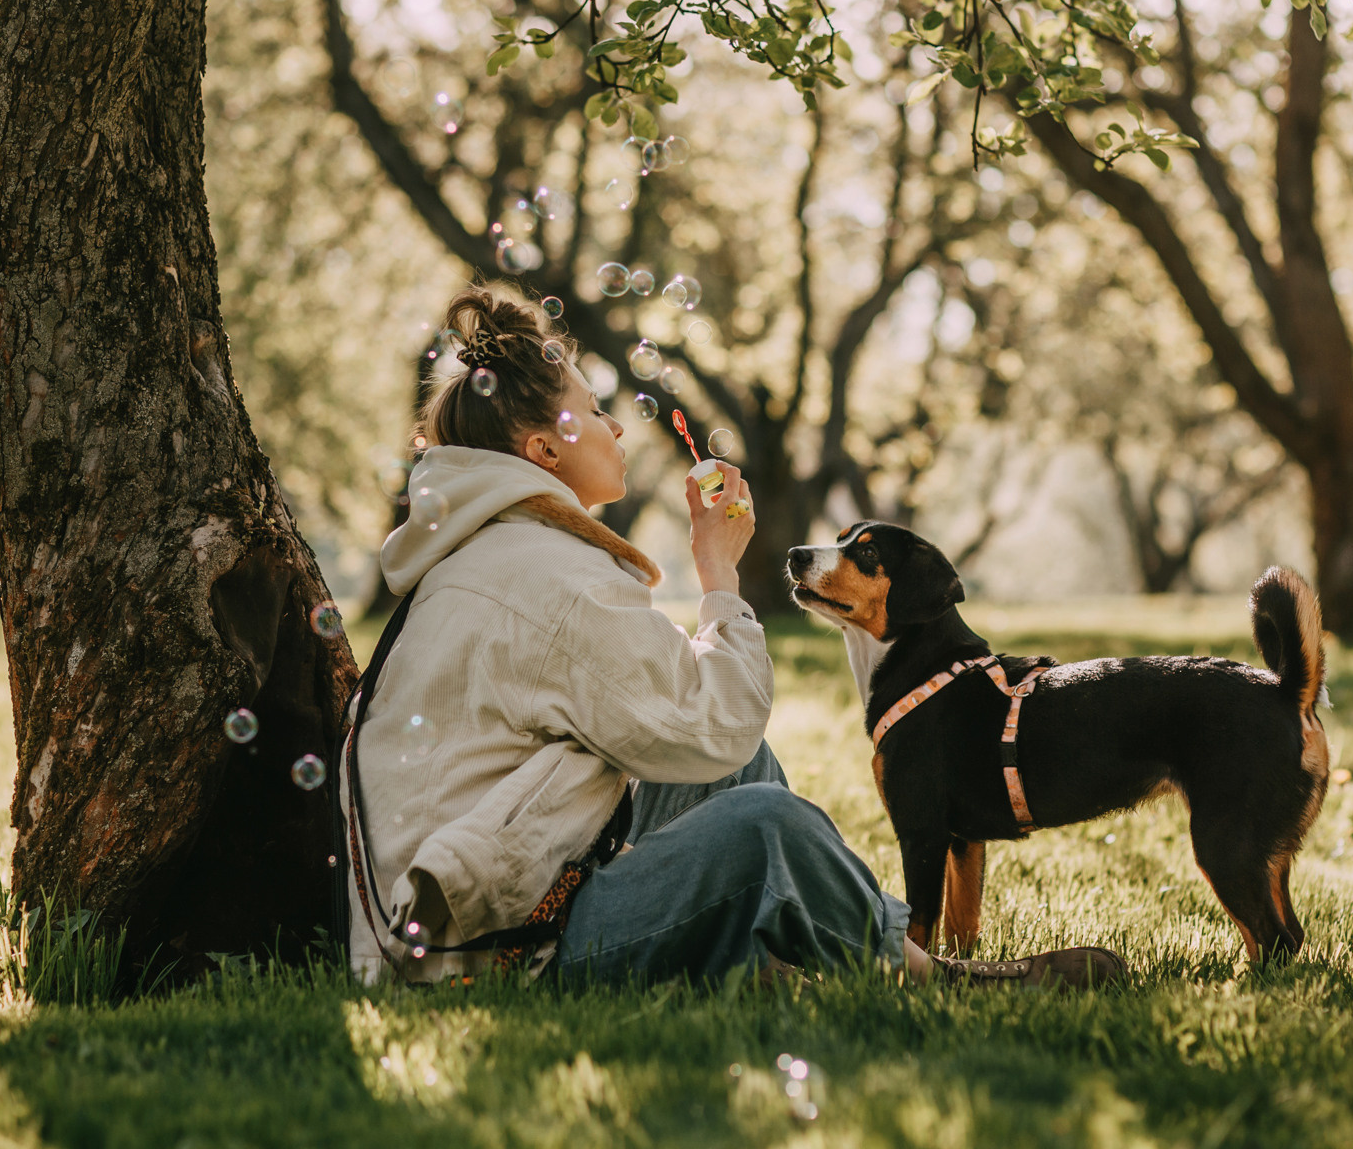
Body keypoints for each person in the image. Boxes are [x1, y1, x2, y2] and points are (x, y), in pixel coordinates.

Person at [345, 285, 1120, 990]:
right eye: (592, 406)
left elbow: (699, 737)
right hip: (491, 956)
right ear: (542, 452)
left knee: (738, 769)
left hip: (464, 911)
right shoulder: (544, 573)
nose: (615, 424)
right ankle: (934, 978)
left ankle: (779, 958)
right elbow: (715, 721)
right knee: (765, 826)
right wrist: (718, 570)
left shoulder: (486, 555)